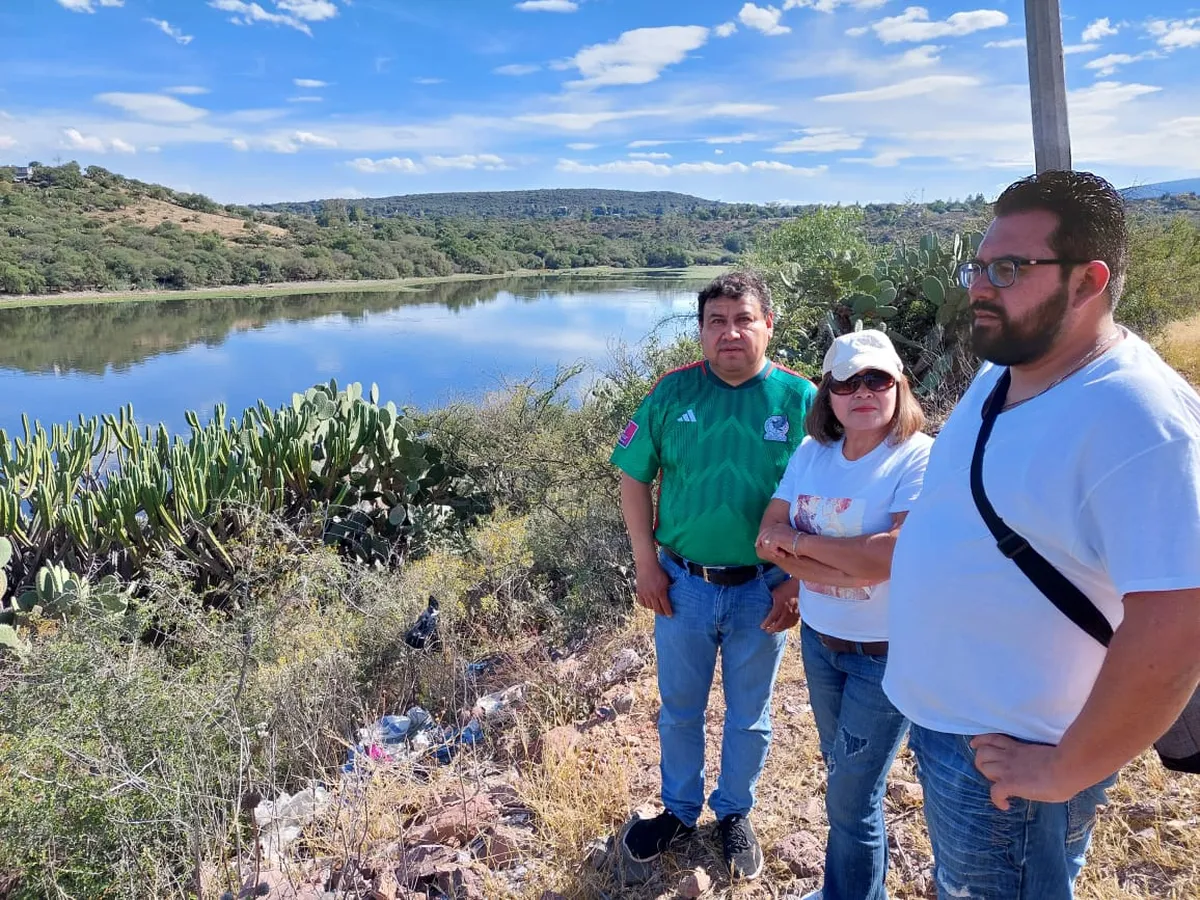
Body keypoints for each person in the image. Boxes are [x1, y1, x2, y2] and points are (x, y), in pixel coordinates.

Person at [882, 170, 1200, 899]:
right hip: (959, 732)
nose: (980, 287)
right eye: (979, 266)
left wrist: (1064, 769)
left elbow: (1179, 624)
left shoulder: (1137, 419)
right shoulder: (1013, 370)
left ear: (1089, 280)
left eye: (1009, 269)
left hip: (1017, 759)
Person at [610, 270, 817, 881]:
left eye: (743, 319)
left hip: (765, 587)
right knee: (679, 708)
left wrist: (798, 578)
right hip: (683, 586)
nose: (730, 332)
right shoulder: (672, 393)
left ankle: (733, 812)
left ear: (768, 325)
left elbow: (831, 492)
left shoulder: (801, 400)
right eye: (716, 322)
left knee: (749, 712)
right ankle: (677, 809)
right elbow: (632, 476)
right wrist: (646, 564)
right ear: (701, 331)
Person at [756, 329, 932, 900]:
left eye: (876, 378)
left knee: (853, 798)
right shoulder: (813, 455)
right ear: (827, 396)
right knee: (843, 777)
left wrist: (801, 549)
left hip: (883, 653)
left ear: (898, 386)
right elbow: (765, 537)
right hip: (822, 641)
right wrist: (850, 564)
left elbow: (892, 556)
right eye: (847, 381)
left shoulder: (917, 457)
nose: (863, 391)